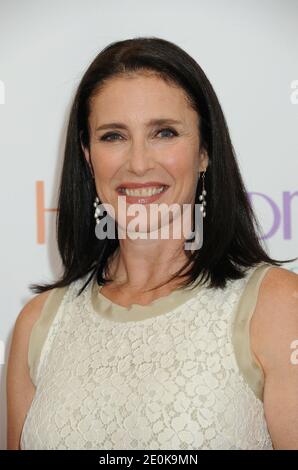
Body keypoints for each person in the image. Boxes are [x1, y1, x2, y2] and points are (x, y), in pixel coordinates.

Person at [6, 37, 298, 450]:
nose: (139, 163)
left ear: (205, 151)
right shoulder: (39, 325)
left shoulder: (278, 307)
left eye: (164, 132)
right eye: (113, 136)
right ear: (88, 157)